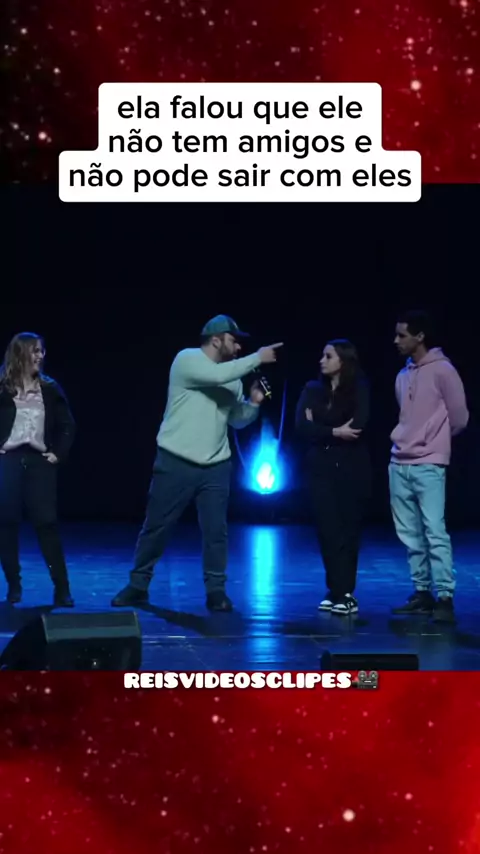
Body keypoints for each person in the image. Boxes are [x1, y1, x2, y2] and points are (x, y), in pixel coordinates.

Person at [112, 316, 283, 612]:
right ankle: (138, 584)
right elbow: (213, 376)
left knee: (216, 531)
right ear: (216, 340)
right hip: (175, 460)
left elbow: (236, 420)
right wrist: (258, 357)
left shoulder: (233, 377)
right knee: (157, 526)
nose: (238, 347)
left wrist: (253, 403)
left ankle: (216, 590)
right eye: (233, 340)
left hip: (216, 465)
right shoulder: (187, 359)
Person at [389, 311, 469, 623]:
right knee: (410, 534)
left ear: (420, 336)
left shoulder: (443, 370)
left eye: (402, 335)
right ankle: (422, 592)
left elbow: (459, 418)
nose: (396, 341)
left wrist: (434, 442)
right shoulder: (403, 375)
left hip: (429, 464)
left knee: (435, 530)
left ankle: (445, 596)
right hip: (399, 462)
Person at [295, 339, 371, 615]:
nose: (322, 361)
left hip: (352, 467)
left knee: (347, 530)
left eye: (328, 356)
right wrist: (334, 431)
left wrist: (319, 425)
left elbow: (358, 425)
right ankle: (335, 588)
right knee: (327, 530)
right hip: (320, 466)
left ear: (343, 360)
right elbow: (301, 426)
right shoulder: (313, 389)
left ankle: (346, 592)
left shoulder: (358, 388)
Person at [0, 332, 75, 607]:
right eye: (34, 351)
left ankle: (62, 588)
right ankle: (14, 585)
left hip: (38, 462)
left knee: (46, 524)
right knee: (6, 524)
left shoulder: (49, 388)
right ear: (20, 354)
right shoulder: (2, 388)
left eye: (42, 351)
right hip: (8, 461)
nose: (40, 356)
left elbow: (67, 425)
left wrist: (58, 454)